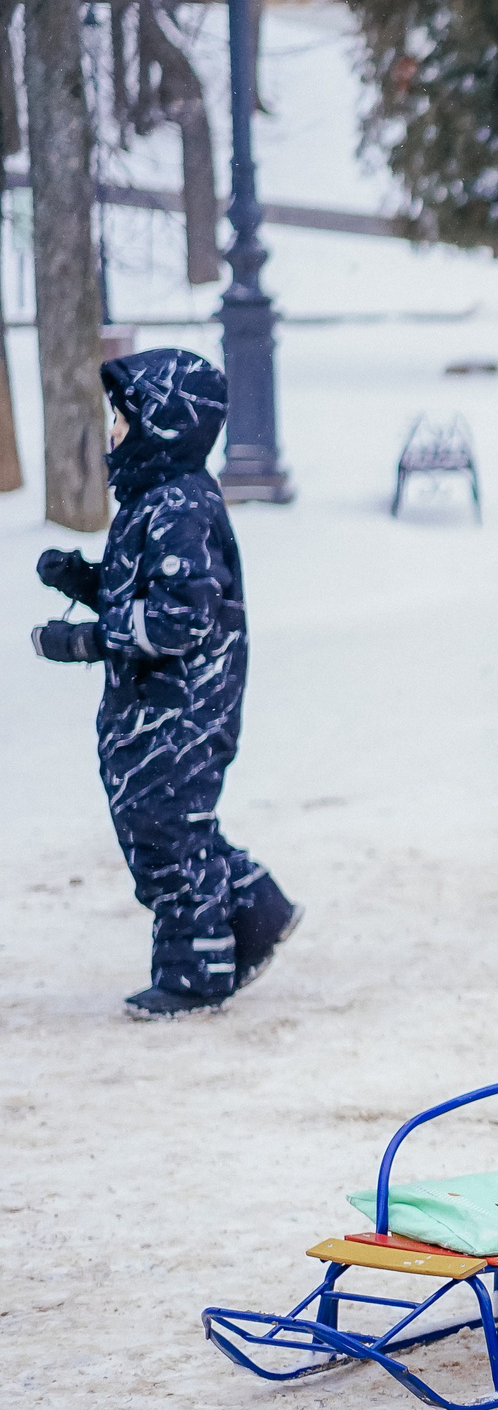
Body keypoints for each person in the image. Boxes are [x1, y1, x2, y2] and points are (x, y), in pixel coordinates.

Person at [31, 351, 300, 1020]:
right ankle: (257, 906)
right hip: (151, 706)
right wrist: (85, 582)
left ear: (166, 425)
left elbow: (180, 619)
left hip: (185, 706)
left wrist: (85, 640)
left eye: (124, 419)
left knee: (165, 833)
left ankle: (195, 972)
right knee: (166, 822)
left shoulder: (180, 505)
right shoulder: (156, 499)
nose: (114, 432)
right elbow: (147, 593)